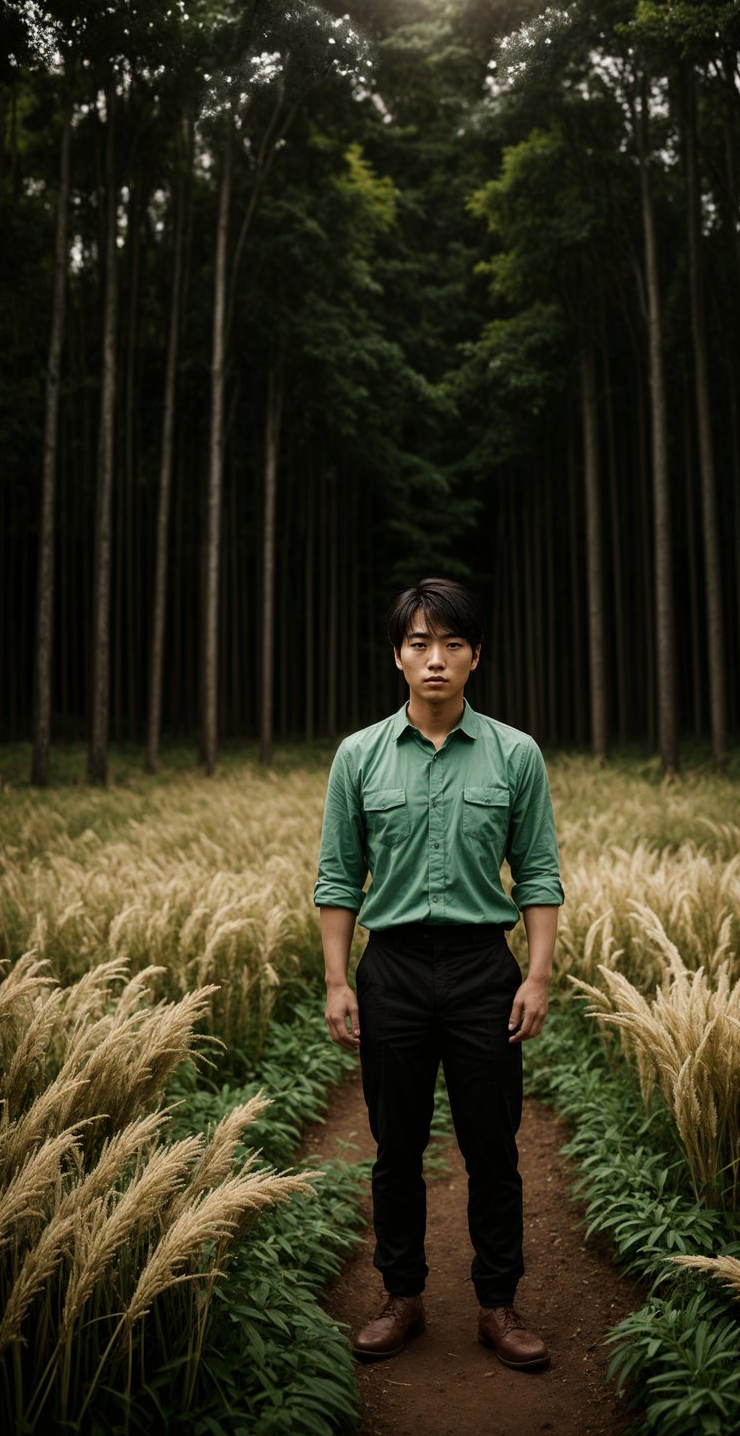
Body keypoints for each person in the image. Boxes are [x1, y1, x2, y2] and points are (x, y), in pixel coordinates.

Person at [314, 577, 564, 1371]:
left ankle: (499, 1305)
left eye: (452, 643)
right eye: (419, 643)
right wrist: (336, 980)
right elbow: (336, 877)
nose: (435, 658)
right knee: (396, 1147)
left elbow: (539, 874)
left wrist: (538, 974)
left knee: (492, 1146)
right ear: (397, 655)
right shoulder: (358, 756)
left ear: (475, 656)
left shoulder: (515, 754)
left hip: (482, 971)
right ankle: (403, 1298)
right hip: (390, 971)